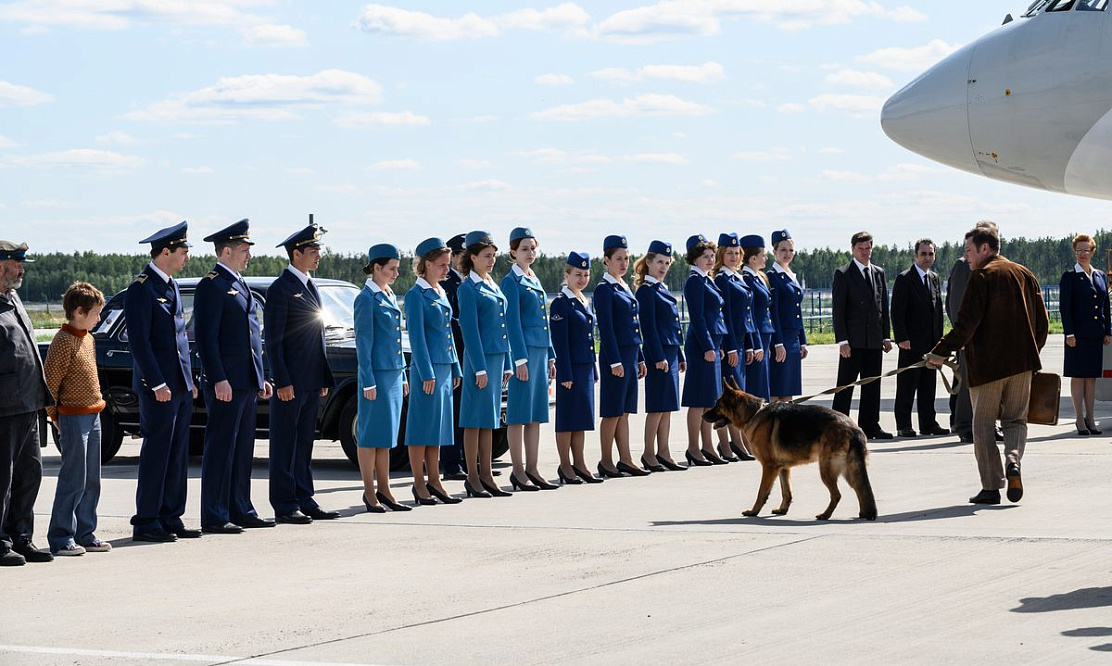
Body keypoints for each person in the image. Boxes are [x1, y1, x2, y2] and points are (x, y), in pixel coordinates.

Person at [927, 225, 1049, 505]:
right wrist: (1031, 354)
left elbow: (965, 325)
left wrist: (939, 353)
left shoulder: (981, 276)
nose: (966, 257)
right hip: (1022, 366)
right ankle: (1013, 461)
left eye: (969, 250)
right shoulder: (1024, 273)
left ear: (985, 249)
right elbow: (1041, 323)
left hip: (989, 368)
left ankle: (991, 487)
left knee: (982, 426)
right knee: (1016, 421)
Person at [194, 220, 275, 535]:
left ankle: (241, 508)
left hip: (246, 381)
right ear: (225, 251)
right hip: (226, 382)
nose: (248, 256)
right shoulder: (211, 285)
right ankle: (214, 514)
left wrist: (261, 376)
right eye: (244, 250)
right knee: (221, 448)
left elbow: (251, 338)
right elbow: (207, 338)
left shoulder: (240, 284)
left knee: (243, 448)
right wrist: (218, 378)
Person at [126, 222, 202, 543]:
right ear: (166, 252)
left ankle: (171, 515)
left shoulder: (170, 286)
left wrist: (189, 380)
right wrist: (156, 383)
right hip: (159, 388)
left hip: (180, 386)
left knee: (177, 452)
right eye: (183, 252)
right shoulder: (141, 289)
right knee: (157, 451)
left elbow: (179, 339)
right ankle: (146, 519)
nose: (187, 258)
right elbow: (140, 343)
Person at [265, 222, 339, 524]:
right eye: (313, 250)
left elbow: (316, 337)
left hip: (310, 380)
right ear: (297, 253)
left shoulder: (310, 285)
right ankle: (285, 503)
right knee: (285, 442)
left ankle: (305, 497)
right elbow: (274, 339)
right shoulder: (281, 288)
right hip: (290, 382)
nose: (318, 255)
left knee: (305, 442)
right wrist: (282, 380)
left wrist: (322, 377)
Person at [44, 282, 108, 556]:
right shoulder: (63, 341)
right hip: (72, 418)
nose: (99, 319)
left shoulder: (88, 338)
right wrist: (54, 417)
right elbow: (49, 384)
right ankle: (61, 536)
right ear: (79, 312)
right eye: (96, 313)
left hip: (94, 415)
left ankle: (86, 532)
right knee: (74, 477)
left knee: (92, 478)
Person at [0, 241, 54, 565]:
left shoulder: (13, 298)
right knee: (1, 479)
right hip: (4, 406)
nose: (22, 270)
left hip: (28, 402)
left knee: (30, 473)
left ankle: (22, 536)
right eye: (16, 264)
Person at [403, 238, 464, 505]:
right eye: (441, 265)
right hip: (427, 371)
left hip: (444, 367)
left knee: (438, 429)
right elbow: (416, 337)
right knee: (421, 429)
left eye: (448, 265)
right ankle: (419, 483)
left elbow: (449, 332)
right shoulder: (417, 295)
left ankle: (435, 480)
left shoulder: (440, 291)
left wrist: (456, 367)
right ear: (426, 264)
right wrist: (427, 372)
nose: (446, 270)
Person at [353, 243, 411, 513]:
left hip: (392, 375)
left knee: (387, 436)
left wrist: (402, 374)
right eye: (392, 268)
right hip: (375, 376)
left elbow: (396, 341)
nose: (396, 274)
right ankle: (369, 492)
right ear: (376, 267)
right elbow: (364, 344)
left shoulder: (387, 293)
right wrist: (368, 381)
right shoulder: (366, 298)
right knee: (370, 436)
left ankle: (385, 489)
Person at [457, 230, 514, 498]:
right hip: (479, 361)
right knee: (474, 420)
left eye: (493, 255)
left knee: (489, 420)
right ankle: (472, 476)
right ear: (472, 257)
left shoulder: (493, 283)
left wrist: (508, 363)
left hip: (496, 358)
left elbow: (504, 326)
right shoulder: (468, 288)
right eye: (486, 256)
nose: (491, 260)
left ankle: (487, 475)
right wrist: (479, 367)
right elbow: (470, 331)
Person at [500, 227, 557, 491]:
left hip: (539, 351)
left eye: (533, 248)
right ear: (513, 252)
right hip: (524, 354)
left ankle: (533, 468)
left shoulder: (534, 278)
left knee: (535, 414)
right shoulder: (510, 282)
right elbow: (511, 323)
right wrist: (518, 360)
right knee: (518, 414)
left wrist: (551, 355)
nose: (530, 252)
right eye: (524, 248)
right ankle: (518, 470)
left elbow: (543, 321)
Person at [594, 234, 649, 478]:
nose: (624, 263)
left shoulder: (624, 287)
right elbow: (606, 328)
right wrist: (615, 361)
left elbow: (633, 325)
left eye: (626, 258)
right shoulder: (604, 290)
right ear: (606, 260)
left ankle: (625, 459)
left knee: (625, 410)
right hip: (614, 358)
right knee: (612, 411)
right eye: (618, 258)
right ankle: (606, 460)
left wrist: (639, 357)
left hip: (629, 354)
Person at [831, 231, 894, 440]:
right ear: (853, 249)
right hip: (853, 341)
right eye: (861, 249)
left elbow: (883, 306)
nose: (865, 252)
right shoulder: (844, 273)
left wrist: (886, 336)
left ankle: (870, 425)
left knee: (872, 385)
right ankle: (838, 427)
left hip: (874, 340)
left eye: (868, 248)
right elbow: (838, 310)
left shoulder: (878, 272)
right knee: (846, 386)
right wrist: (843, 340)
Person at [634, 240, 687, 472]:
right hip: (660, 354)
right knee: (657, 406)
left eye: (667, 263)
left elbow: (673, 326)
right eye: (659, 262)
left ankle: (663, 451)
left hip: (671, 351)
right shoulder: (646, 291)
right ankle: (648, 453)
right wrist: (657, 356)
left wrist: (681, 353)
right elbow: (649, 328)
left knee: (667, 406)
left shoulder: (661, 289)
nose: (664, 267)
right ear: (649, 262)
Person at [550, 252, 602, 485]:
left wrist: (594, 369)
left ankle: (579, 463)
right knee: (567, 419)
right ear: (567, 275)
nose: (582, 279)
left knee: (581, 419)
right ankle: (565, 465)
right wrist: (565, 373)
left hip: (585, 368)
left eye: (586, 275)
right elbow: (560, 343)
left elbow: (589, 339)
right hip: (570, 370)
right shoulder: (561, 304)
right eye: (577, 275)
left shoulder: (583, 301)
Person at [946, 220, 1000, 443]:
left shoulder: (993, 266)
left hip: (989, 338)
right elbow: (957, 303)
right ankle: (965, 425)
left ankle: (989, 423)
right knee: (968, 381)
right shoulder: (963, 265)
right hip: (971, 337)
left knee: (990, 384)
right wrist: (963, 335)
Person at [890, 238, 948, 438]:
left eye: (931, 254)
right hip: (910, 344)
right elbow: (897, 311)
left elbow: (938, 313)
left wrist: (940, 343)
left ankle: (928, 423)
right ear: (916, 255)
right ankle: (904, 425)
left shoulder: (934, 278)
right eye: (923, 254)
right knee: (907, 386)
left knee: (928, 386)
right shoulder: (905, 278)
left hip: (930, 344)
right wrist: (902, 338)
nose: (927, 258)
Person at [681, 234, 728, 467]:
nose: (710, 260)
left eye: (712, 256)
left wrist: (716, 347)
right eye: (704, 257)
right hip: (701, 347)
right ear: (694, 259)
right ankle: (693, 447)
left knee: (709, 400)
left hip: (712, 346)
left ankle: (708, 446)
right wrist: (709, 346)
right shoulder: (694, 282)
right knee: (698, 400)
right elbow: (697, 318)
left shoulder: (708, 280)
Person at [1059, 233, 1111, 435]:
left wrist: (1108, 331)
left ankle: (1091, 418)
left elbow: (1105, 306)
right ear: (1074, 252)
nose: (1082, 254)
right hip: (1077, 336)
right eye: (1079, 250)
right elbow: (1065, 308)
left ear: (1092, 251)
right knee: (1078, 377)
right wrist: (1069, 333)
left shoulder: (1099, 275)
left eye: (1086, 250)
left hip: (1096, 335)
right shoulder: (1070, 276)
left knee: (1092, 378)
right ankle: (1079, 419)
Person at [712, 232, 756, 462]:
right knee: (729, 400)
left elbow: (747, 315)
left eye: (736, 253)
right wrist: (730, 347)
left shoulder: (737, 278)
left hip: (740, 343)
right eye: (728, 253)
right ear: (721, 254)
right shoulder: (722, 279)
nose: (733, 256)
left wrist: (748, 345)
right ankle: (732, 443)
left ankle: (739, 441)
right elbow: (726, 317)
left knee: (739, 396)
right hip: (731, 346)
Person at [439, 233, 469, 481]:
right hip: (456, 353)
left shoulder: (468, 282)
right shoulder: (448, 284)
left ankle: (467, 458)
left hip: (470, 354)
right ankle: (451, 462)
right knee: (454, 408)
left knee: (467, 409)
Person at [768, 229, 809, 403]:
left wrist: (803, 340)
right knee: (777, 389)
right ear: (774, 252)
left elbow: (797, 310)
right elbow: (774, 312)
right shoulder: (772, 277)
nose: (787, 254)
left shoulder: (791, 276)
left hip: (793, 340)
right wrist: (778, 342)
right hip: (781, 338)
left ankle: (786, 429)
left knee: (789, 390)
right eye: (783, 250)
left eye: (791, 250)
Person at [740, 235, 772, 402]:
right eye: (763, 255)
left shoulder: (757, 278)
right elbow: (749, 315)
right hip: (757, 335)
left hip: (764, 336)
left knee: (762, 382)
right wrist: (754, 343)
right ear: (753, 258)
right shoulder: (747, 279)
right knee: (757, 386)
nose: (765, 258)